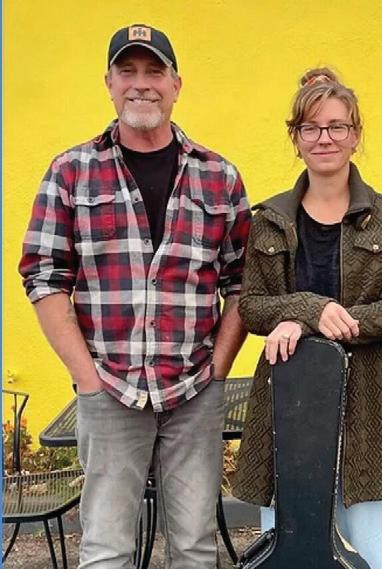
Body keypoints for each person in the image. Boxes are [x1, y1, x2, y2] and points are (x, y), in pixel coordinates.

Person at [18, 24, 251, 568]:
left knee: (194, 546)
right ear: (109, 83)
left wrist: (218, 369)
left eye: (154, 72)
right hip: (109, 389)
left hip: (194, 390)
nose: (141, 84)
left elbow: (243, 282)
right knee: (106, 549)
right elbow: (45, 278)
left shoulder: (218, 176)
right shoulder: (70, 173)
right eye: (128, 71)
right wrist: (86, 379)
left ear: (176, 85)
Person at [232, 68, 382, 569]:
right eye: (310, 127)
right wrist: (312, 309)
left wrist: (306, 320)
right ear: (295, 138)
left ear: (355, 135)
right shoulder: (270, 219)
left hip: (366, 407)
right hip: (286, 403)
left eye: (337, 126)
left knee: (373, 554)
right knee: (291, 547)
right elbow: (252, 305)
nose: (324, 138)